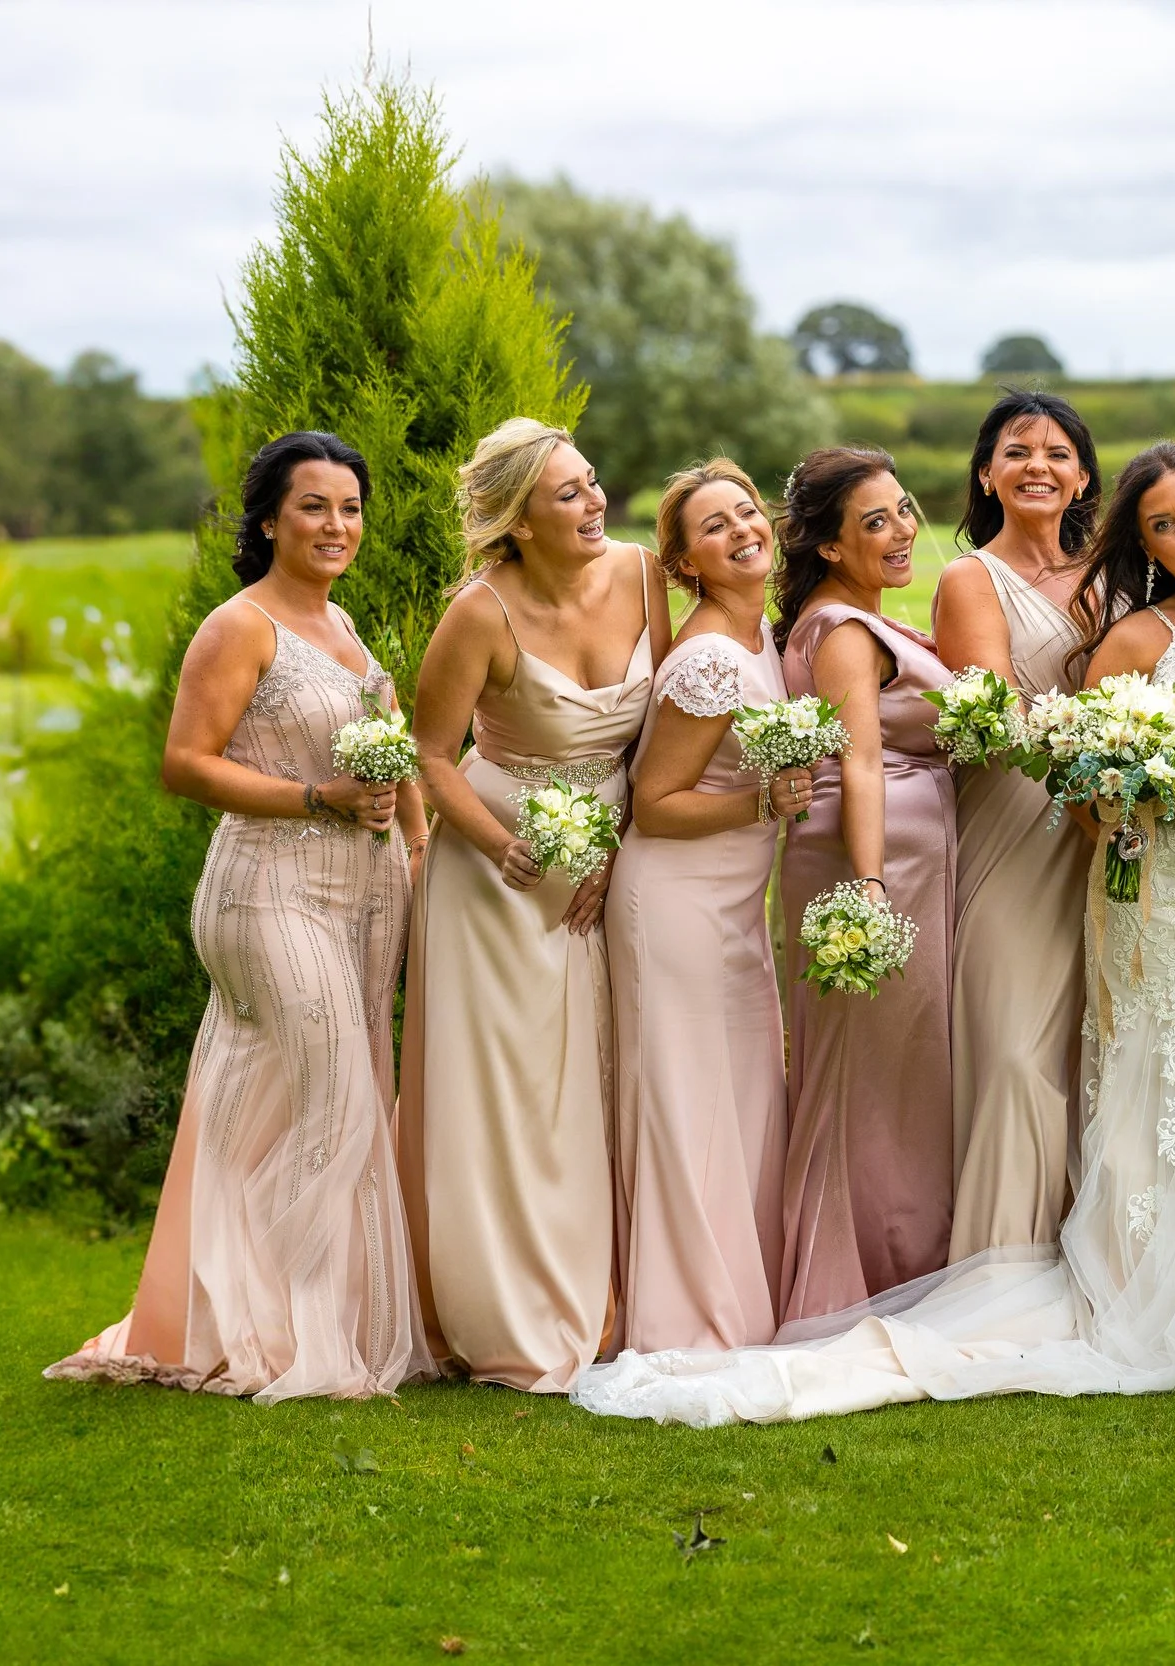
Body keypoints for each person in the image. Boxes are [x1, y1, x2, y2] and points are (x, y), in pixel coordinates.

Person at [570, 443, 1175, 1424]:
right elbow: (1068, 769)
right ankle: (1171, 1296)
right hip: (1173, 895)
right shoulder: (1134, 640)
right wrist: (1126, 816)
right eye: (1161, 527)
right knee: (1172, 1090)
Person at [47, 431, 431, 1402]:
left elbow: (390, 749)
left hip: (360, 895)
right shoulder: (242, 625)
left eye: (350, 507)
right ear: (267, 520)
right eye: (314, 505)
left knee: (296, 1100)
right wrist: (316, 800)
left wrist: (413, 844)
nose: (336, 524)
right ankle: (277, 1333)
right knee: (335, 1087)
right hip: (266, 888)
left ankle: (234, 1313)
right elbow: (187, 763)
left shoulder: (347, 630)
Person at [398, 418, 668, 1393]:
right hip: (494, 883)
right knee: (510, 1094)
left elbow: (667, 730)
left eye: (593, 483)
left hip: (614, 855)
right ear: (518, 519)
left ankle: (606, 1299)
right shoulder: (480, 612)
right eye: (568, 493)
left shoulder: (644, 576)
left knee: (602, 1076)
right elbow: (432, 753)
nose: (594, 503)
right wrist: (507, 845)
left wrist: (621, 841)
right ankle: (504, 1310)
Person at [604, 461, 813, 1354]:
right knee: (690, 1101)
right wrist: (766, 802)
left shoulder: (762, 638)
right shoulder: (712, 659)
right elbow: (655, 802)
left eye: (746, 513)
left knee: (745, 1096)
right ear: (686, 563)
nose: (741, 531)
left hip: (733, 905)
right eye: (714, 527)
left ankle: (742, 1292)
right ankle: (686, 1317)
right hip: (676, 903)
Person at [770, 448, 958, 1323]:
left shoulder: (847, 617)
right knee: (874, 1073)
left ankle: (902, 1259)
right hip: (873, 873)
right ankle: (870, 1273)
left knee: (901, 1069)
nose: (902, 530)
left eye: (903, 509)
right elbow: (858, 761)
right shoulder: (844, 629)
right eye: (874, 521)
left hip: (896, 866)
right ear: (833, 547)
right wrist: (873, 886)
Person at [931, 391, 1101, 1258]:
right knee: (1011, 1052)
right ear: (988, 474)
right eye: (1018, 450)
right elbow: (998, 717)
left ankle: (1089, 1254)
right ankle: (1000, 1261)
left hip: (1110, 831)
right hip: (1016, 827)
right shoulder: (970, 579)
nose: (1039, 465)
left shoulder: (1113, 575)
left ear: (1081, 478)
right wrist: (1106, 747)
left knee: (1096, 1047)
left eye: (1058, 453)